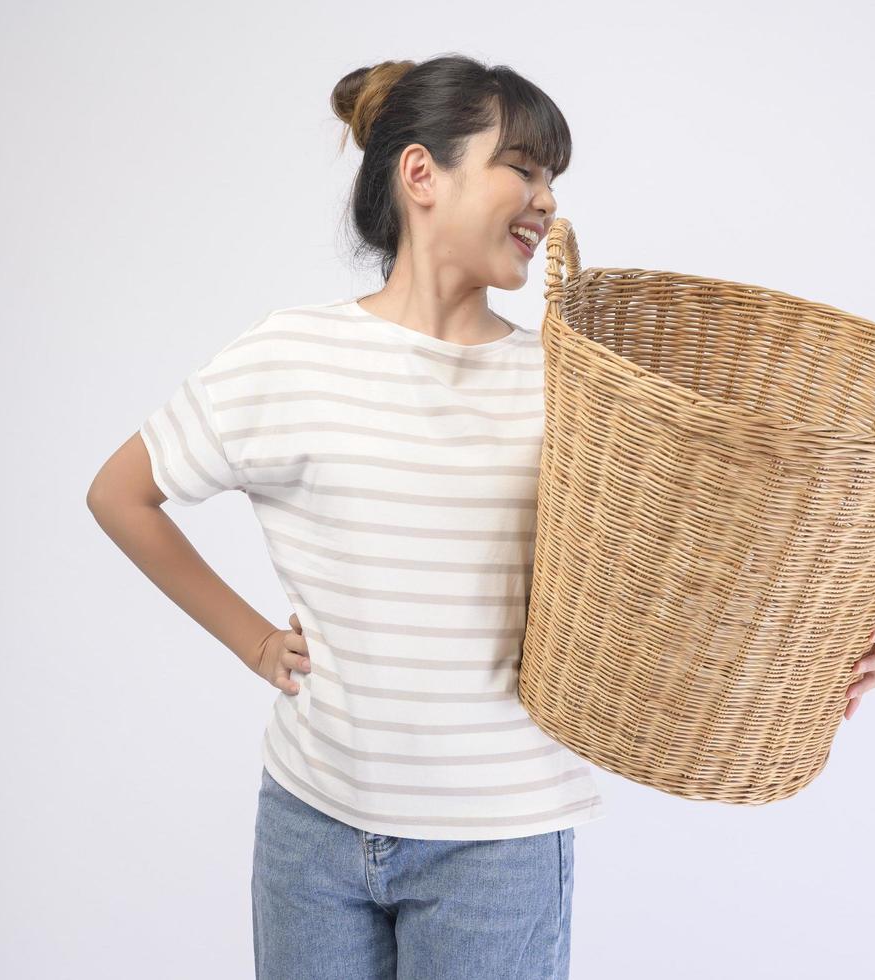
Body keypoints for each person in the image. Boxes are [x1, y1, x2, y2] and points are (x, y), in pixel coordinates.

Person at [87, 53, 584, 977]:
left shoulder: (564, 382)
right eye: (521, 165)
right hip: (311, 828)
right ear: (422, 174)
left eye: (553, 177)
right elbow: (121, 494)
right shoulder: (290, 355)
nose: (546, 199)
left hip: (499, 843)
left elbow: (701, 539)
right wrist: (251, 640)